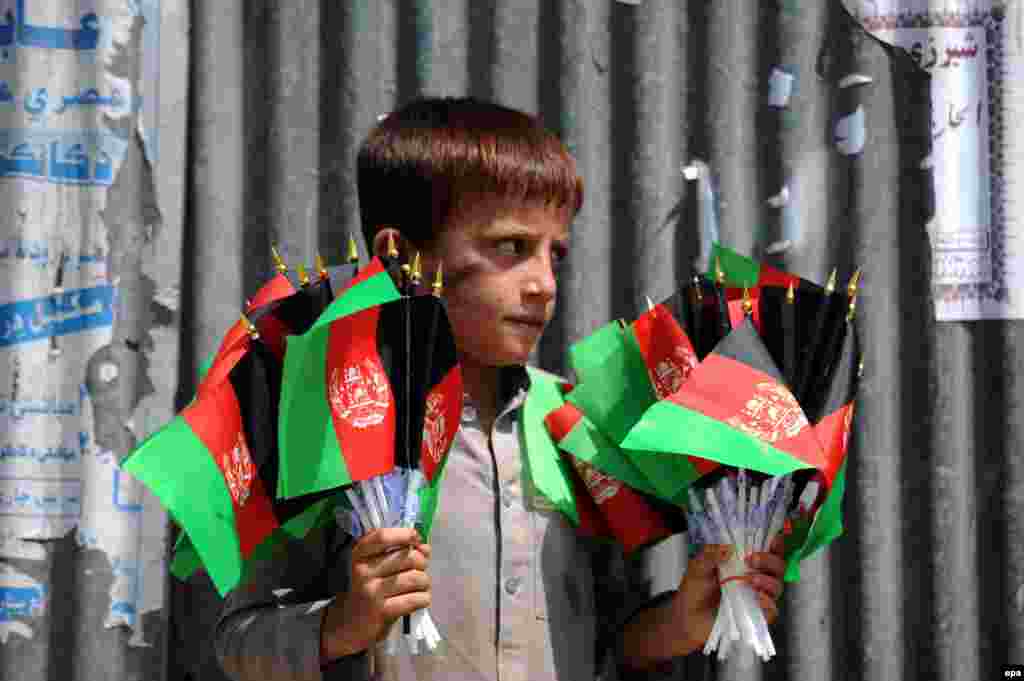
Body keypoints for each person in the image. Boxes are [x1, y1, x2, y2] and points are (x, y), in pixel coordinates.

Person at [214, 97, 786, 681]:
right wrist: (341, 624)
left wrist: (679, 624)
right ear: (401, 254)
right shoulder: (327, 419)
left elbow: (609, 641)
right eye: (511, 248)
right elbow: (237, 641)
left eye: (554, 254)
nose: (543, 284)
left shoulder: (577, 428)